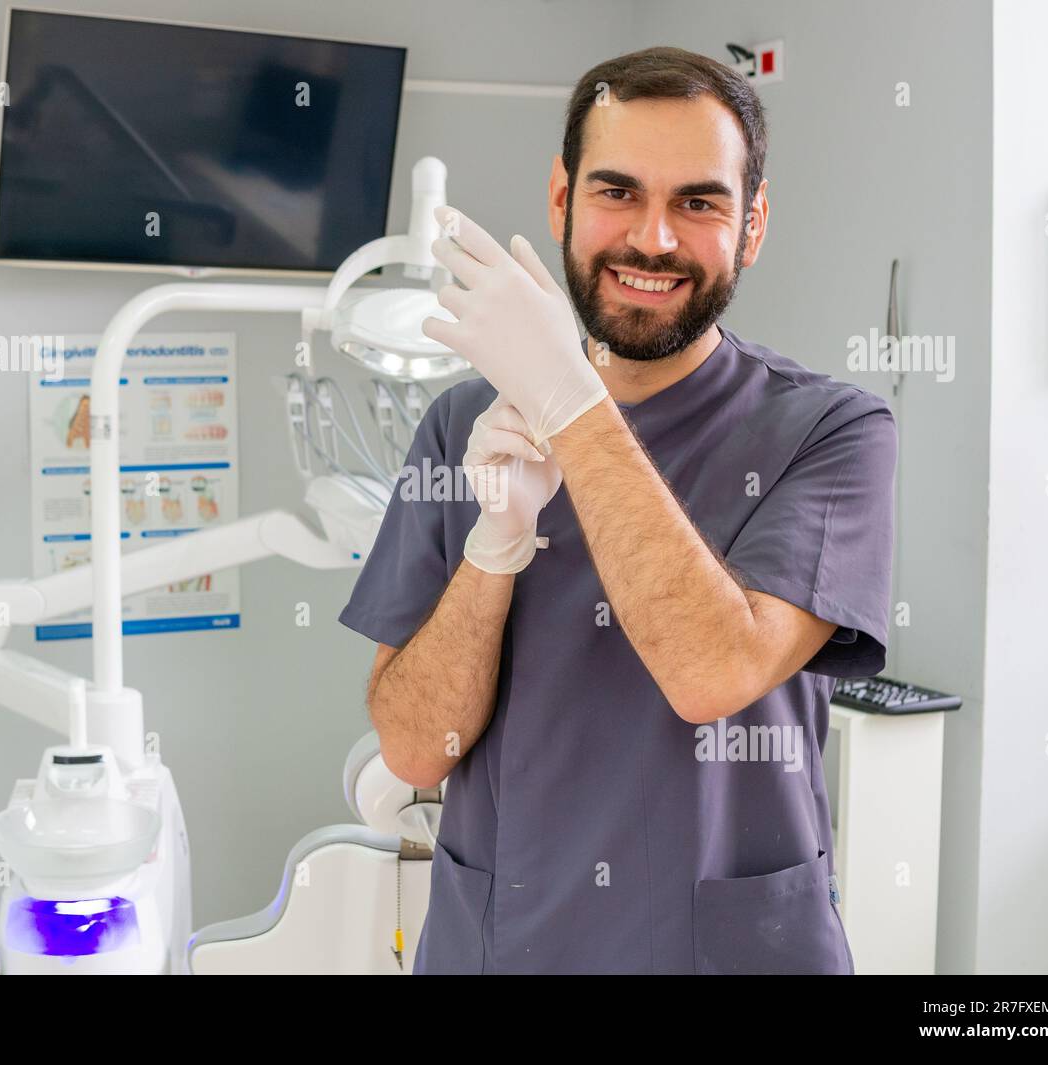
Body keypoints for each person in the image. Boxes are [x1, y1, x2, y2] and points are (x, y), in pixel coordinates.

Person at [338, 46, 896, 974]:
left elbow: (711, 673)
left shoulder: (831, 432)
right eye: (617, 192)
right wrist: (493, 549)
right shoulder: (464, 425)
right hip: (505, 942)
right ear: (561, 199)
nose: (654, 239)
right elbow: (412, 748)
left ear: (752, 225)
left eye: (700, 202)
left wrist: (573, 403)